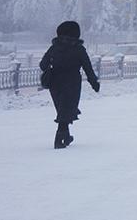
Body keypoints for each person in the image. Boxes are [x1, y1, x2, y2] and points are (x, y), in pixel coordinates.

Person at [38, 20, 100, 149]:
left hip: (55, 82)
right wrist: (94, 83)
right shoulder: (78, 49)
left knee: (62, 108)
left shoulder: (54, 47)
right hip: (72, 81)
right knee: (67, 108)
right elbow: (87, 67)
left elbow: (43, 64)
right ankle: (59, 137)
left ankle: (65, 137)